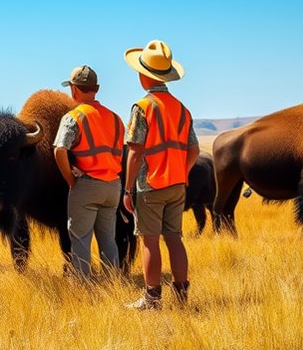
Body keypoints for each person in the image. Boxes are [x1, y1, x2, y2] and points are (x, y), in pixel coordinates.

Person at [122, 40, 199, 310]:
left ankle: (151, 299)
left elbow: (134, 152)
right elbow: (195, 149)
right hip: (177, 184)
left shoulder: (142, 108)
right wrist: (181, 173)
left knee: (149, 240)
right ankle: (181, 297)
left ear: (145, 76)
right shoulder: (182, 109)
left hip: (150, 184)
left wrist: (128, 189)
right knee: (175, 239)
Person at [53, 65, 125, 279]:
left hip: (87, 184)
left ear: (74, 89)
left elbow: (59, 150)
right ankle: (113, 282)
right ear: (97, 88)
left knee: (81, 238)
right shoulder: (115, 118)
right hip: (113, 186)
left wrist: (71, 180)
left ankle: (83, 286)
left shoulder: (73, 117)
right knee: (108, 240)